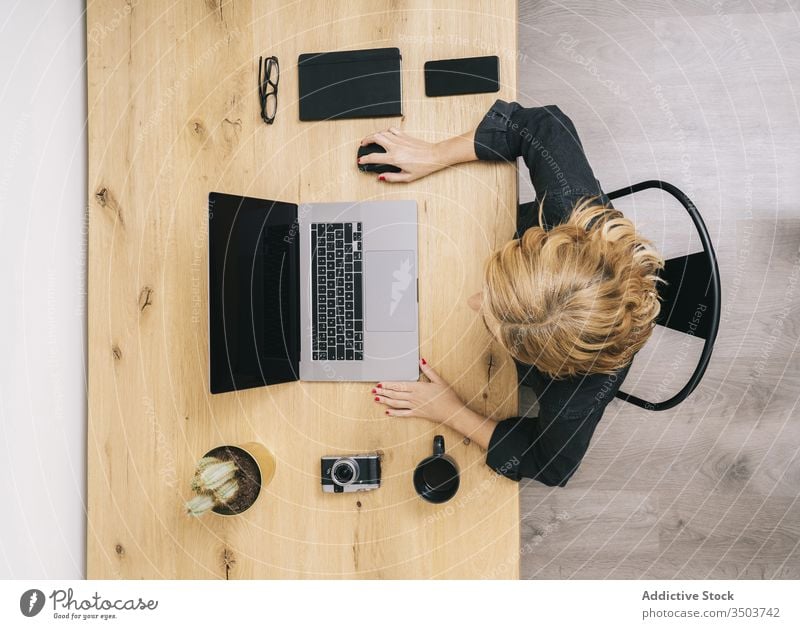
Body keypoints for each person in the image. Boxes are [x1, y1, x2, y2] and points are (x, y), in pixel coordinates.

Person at [359, 100, 663, 487]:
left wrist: (450, 411)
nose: (472, 302)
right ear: (542, 241)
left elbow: (552, 467)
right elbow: (544, 124)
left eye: (492, 319)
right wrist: (436, 154)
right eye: (491, 288)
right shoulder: (572, 211)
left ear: (549, 366)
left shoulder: (577, 395)